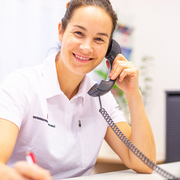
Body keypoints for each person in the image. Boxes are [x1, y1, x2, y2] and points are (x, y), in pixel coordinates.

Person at [0, 0, 156, 179]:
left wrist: (133, 94)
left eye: (99, 39)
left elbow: (144, 163)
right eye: (79, 33)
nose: (86, 47)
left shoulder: (100, 98)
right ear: (61, 31)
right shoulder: (22, 85)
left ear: (110, 49)